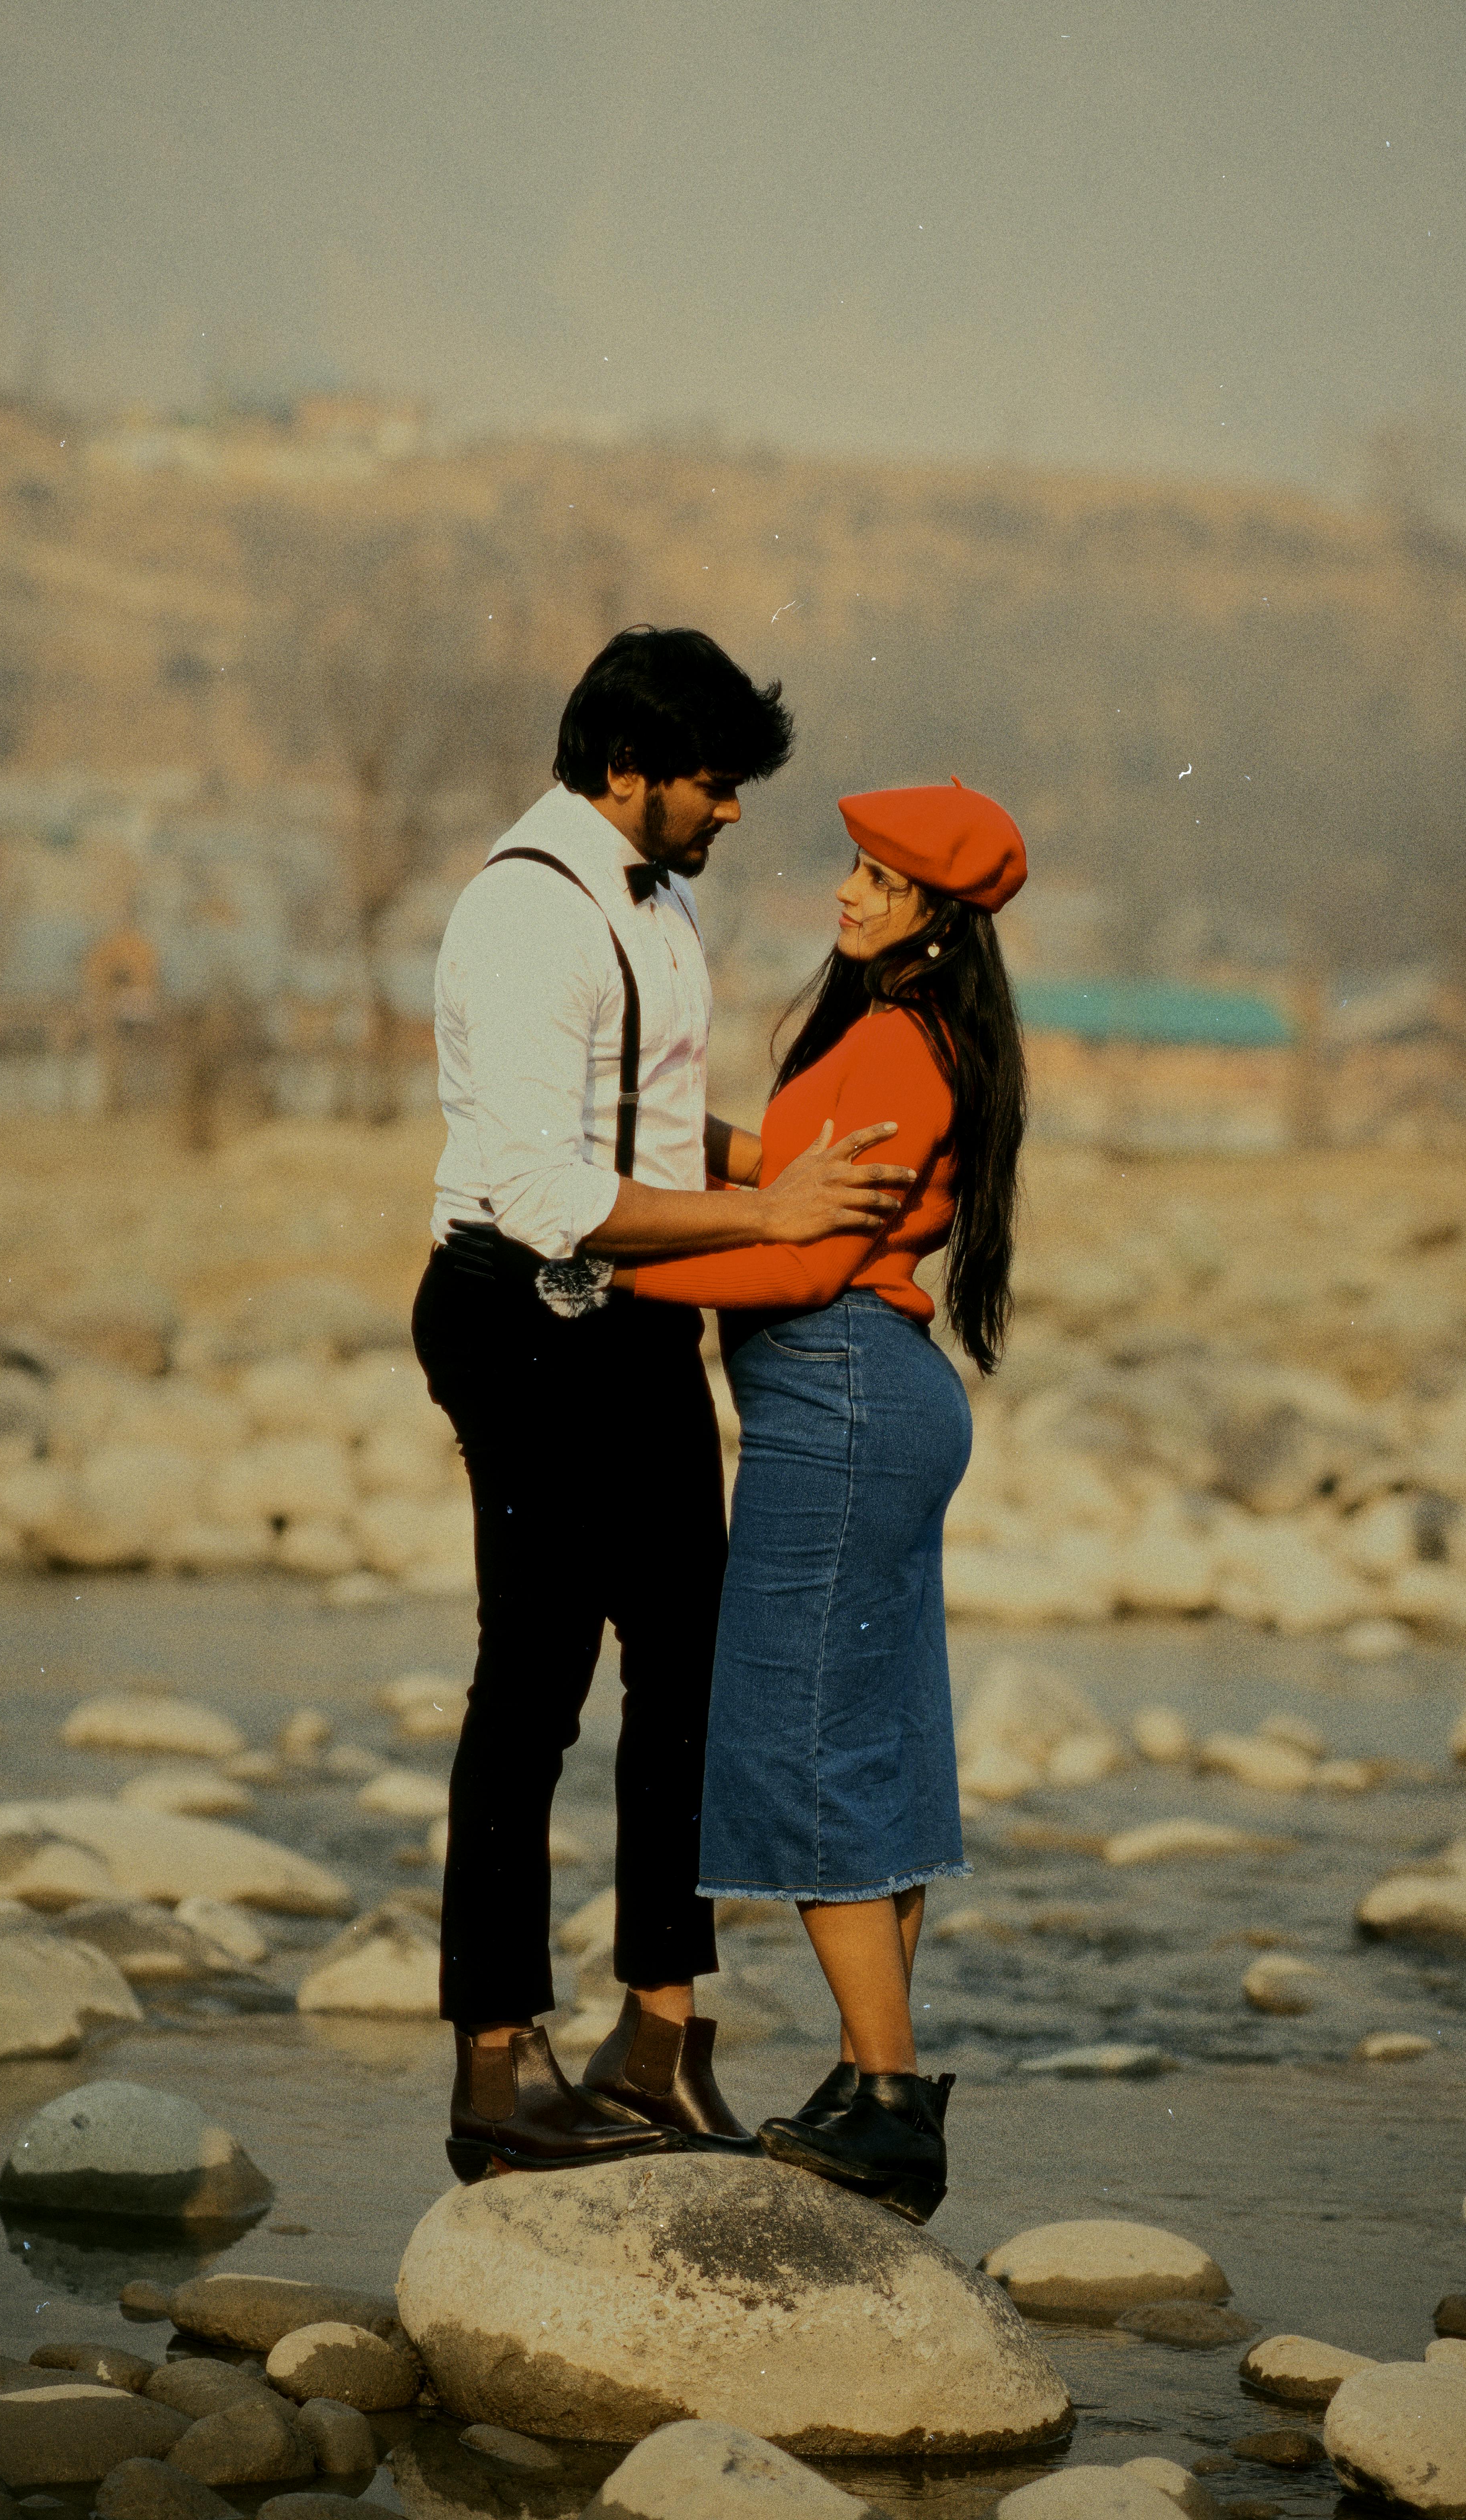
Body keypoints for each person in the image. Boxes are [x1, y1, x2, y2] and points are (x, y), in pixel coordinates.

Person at [412, 627, 918, 2183]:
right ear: (625, 773)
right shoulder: (520, 915)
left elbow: (628, 1111)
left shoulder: (663, 894)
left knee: (686, 1676)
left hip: (636, 1310)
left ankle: (658, 2037)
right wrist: (767, 1225)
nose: (735, 811)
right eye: (713, 783)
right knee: (535, 1682)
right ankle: (495, 2062)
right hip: (520, 1312)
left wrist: (765, 1160)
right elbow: (545, 1184)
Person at [621, 774, 1029, 2224]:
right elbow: (793, 1184)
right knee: (879, 1754)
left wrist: (611, 1266)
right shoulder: (905, 1035)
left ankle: (896, 2106)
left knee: (804, 1750)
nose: (847, 892)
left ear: (934, 912)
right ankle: (871, 2085)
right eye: (852, 869)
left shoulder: (903, 1051)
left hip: (841, 1397)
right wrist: (681, 1147)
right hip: (874, 1397)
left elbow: (798, 1259)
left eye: (875, 876)